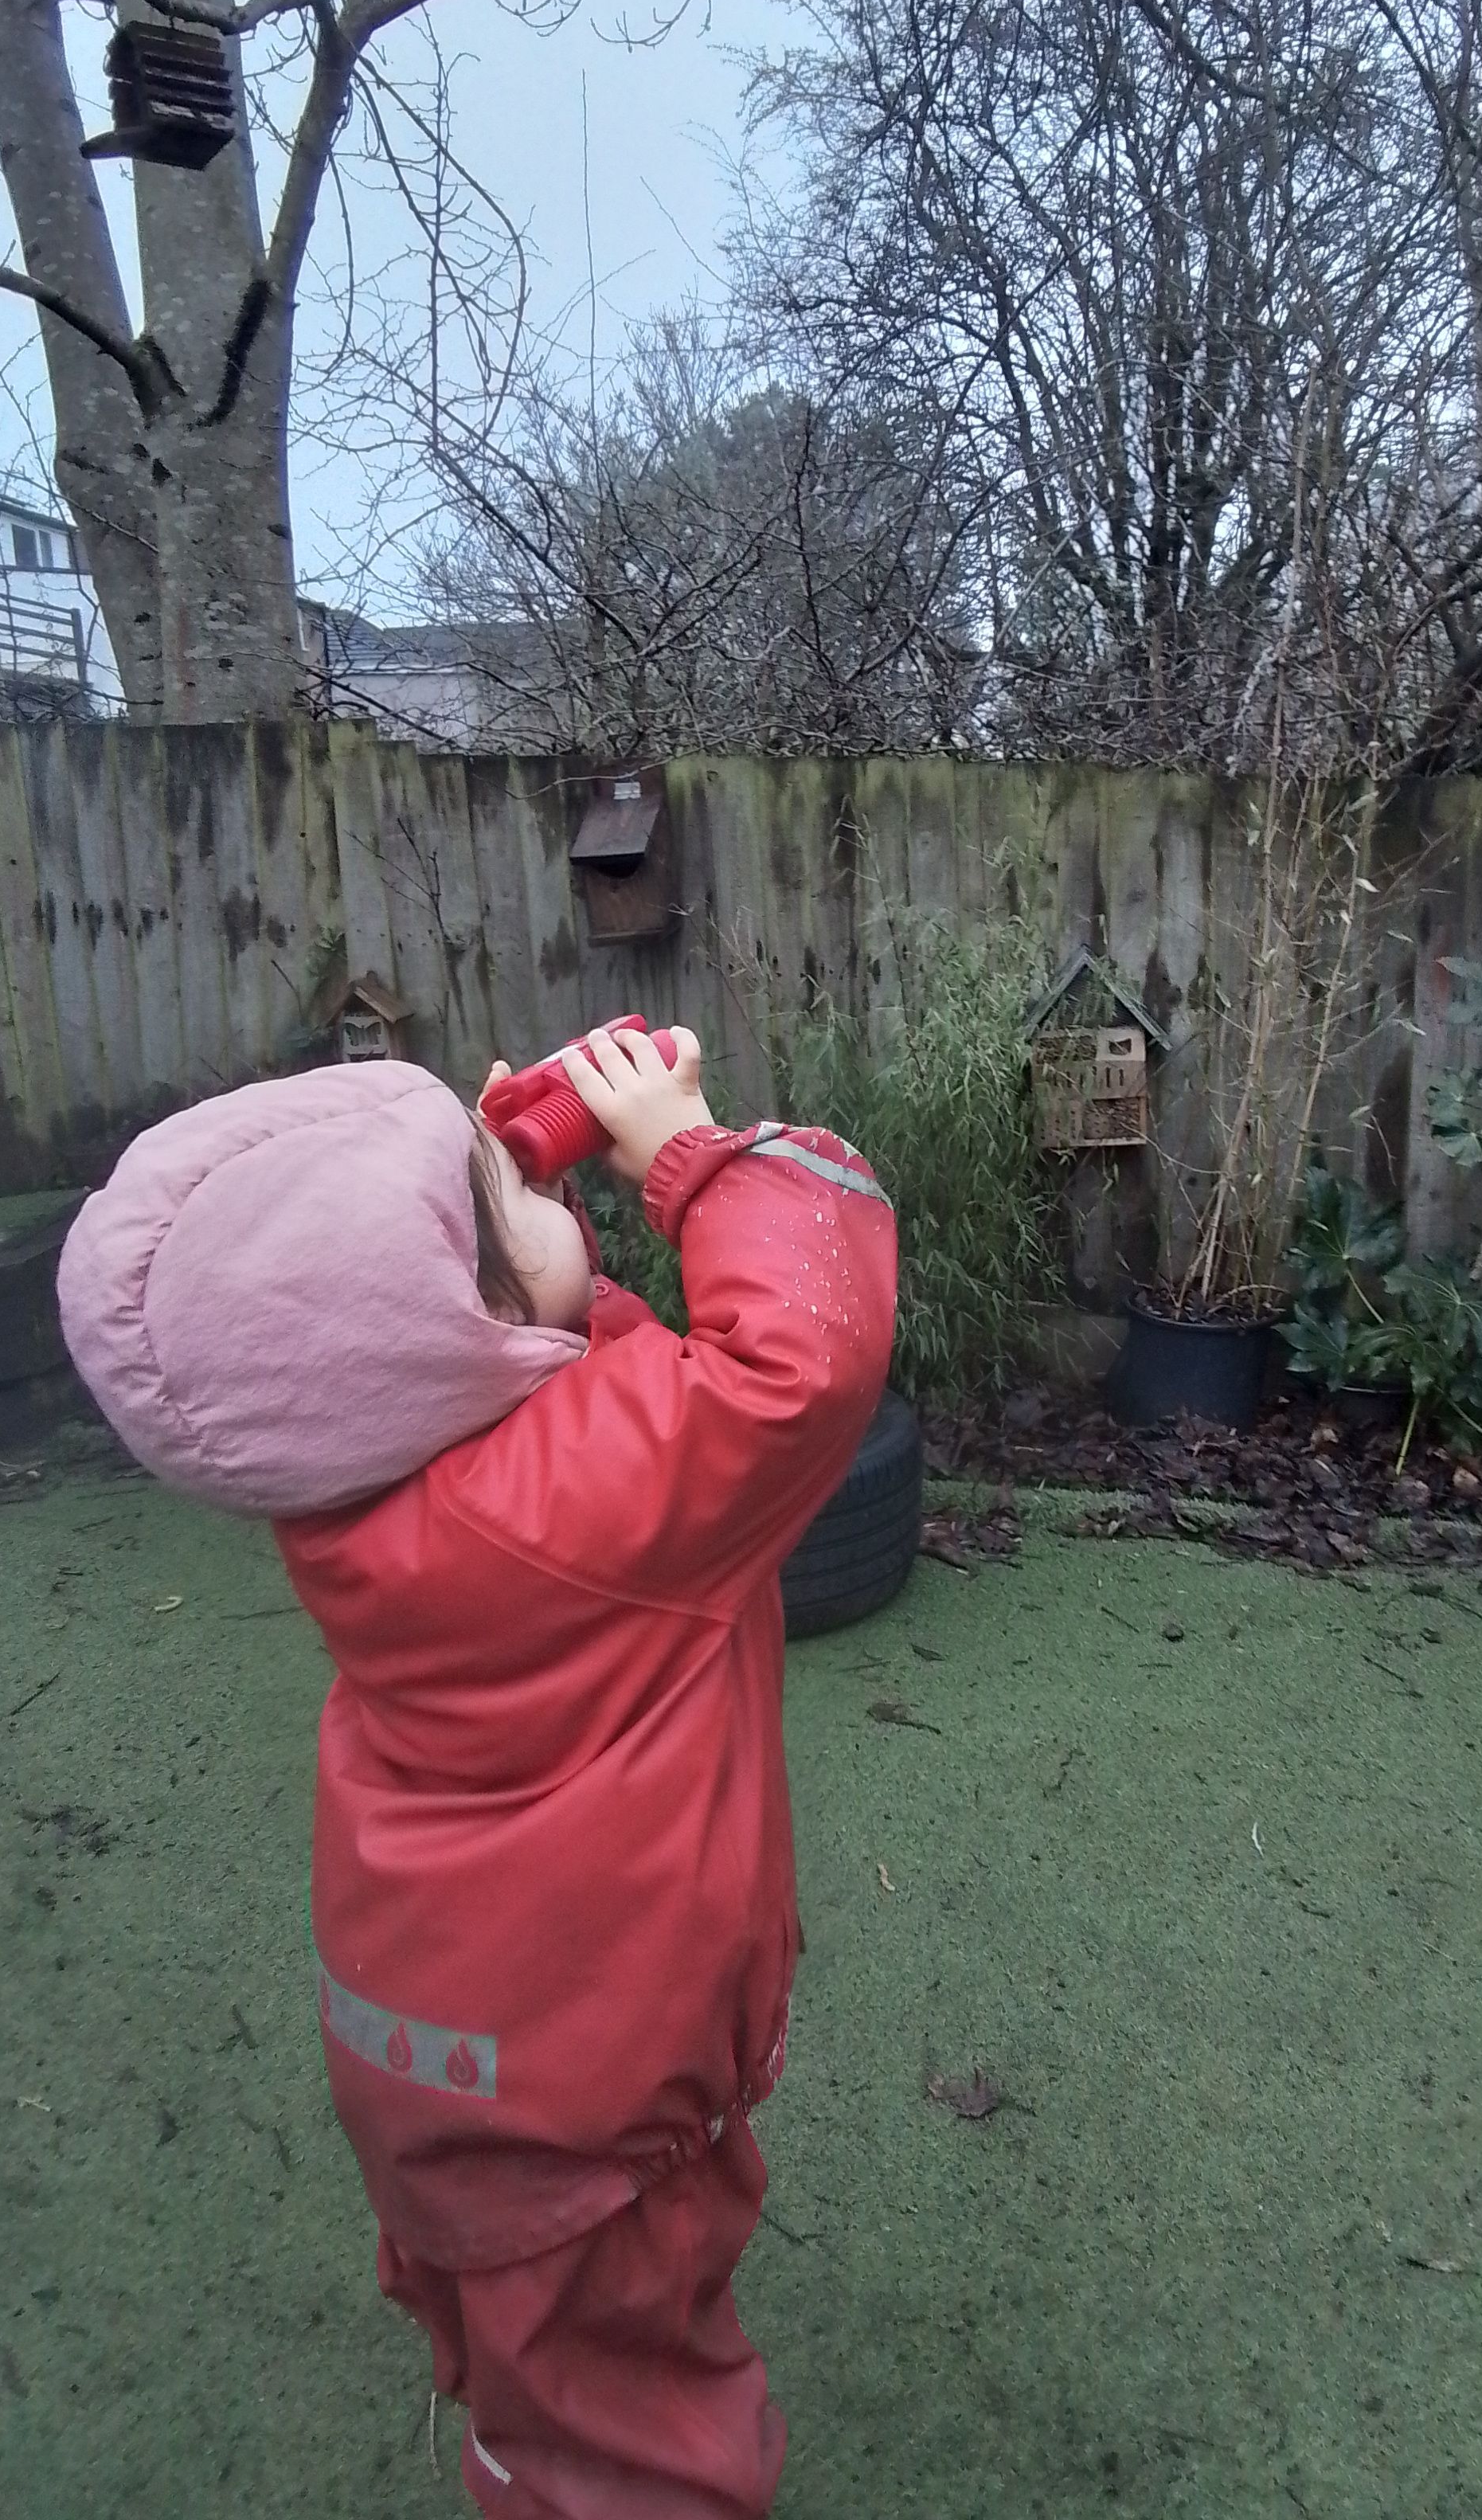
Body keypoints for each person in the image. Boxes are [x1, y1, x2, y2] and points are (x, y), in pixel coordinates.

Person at [57, 1023, 897, 2518]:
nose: (536, 1184)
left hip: (447, 2071)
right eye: (500, 1192)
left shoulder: (357, 1491)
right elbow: (800, 1358)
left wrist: (529, 1173)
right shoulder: (572, 1508)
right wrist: (693, 1160)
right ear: (461, 1322)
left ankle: (518, 2440)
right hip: (590, 2095)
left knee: (529, 2349)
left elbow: (561, 1362)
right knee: (625, 2442)